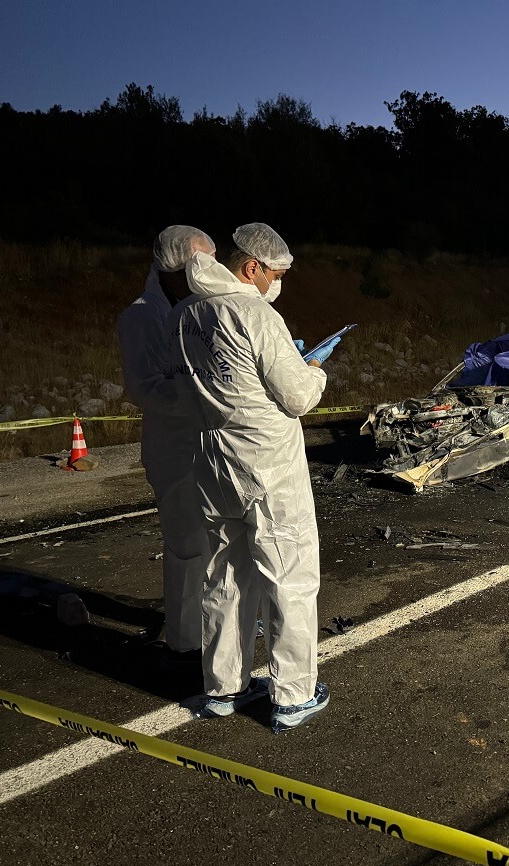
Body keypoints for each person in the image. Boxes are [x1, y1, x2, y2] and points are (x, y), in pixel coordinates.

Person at [169, 223, 341, 732]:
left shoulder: (186, 314)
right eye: (277, 274)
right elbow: (297, 397)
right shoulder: (255, 313)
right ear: (252, 268)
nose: (278, 284)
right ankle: (293, 695)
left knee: (224, 575)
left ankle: (224, 688)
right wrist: (313, 367)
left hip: (212, 462)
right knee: (289, 575)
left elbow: (199, 386)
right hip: (267, 464)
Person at [117, 225, 215, 663]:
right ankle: (182, 642)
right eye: (200, 262)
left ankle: (210, 627)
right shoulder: (142, 316)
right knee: (186, 545)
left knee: (214, 543)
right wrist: (202, 390)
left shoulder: (198, 307)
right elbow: (145, 388)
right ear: (172, 264)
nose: (207, 271)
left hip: (207, 444)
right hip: (175, 450)